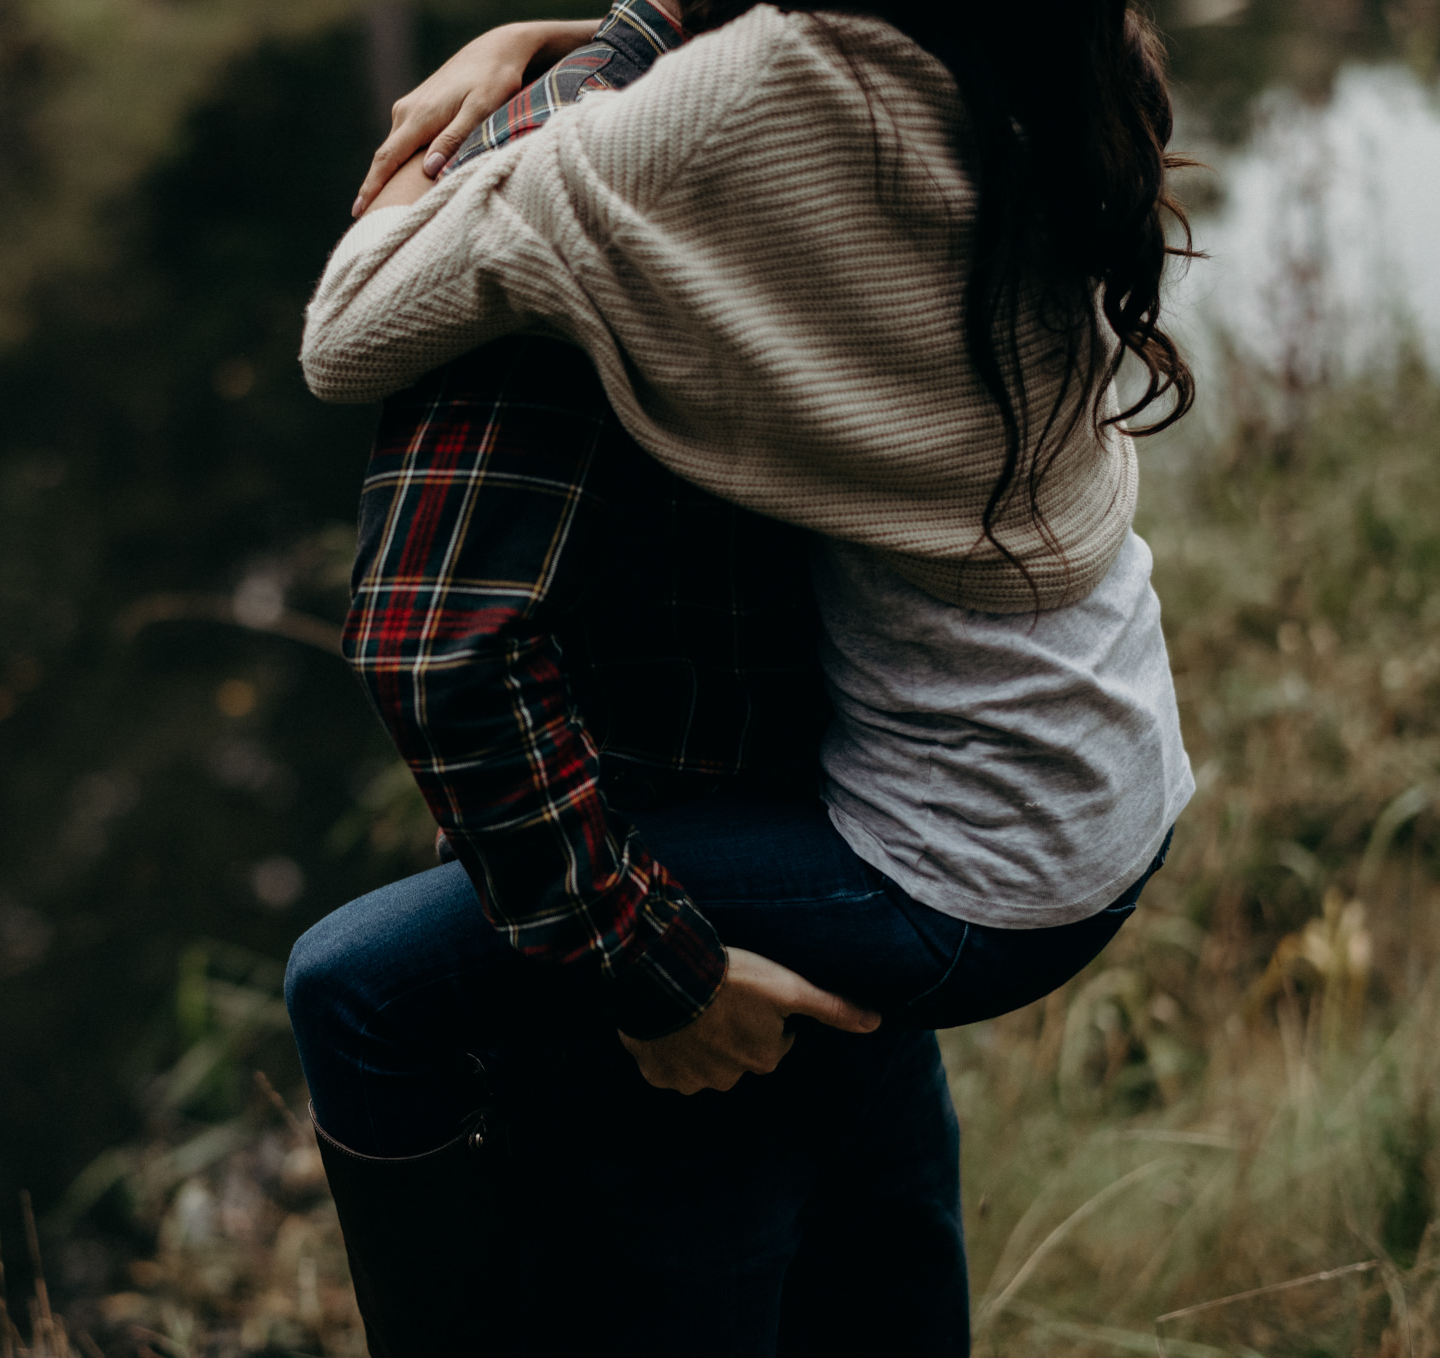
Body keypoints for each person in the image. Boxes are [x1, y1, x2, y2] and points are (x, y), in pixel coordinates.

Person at [288, 2, 1197, 1353]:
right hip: (1078, 785)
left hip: (903, 866)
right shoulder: (1022, 43)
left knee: (350, 987)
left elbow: (411, 570)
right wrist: (559, 40)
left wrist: (652, 968)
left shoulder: (694, 122)